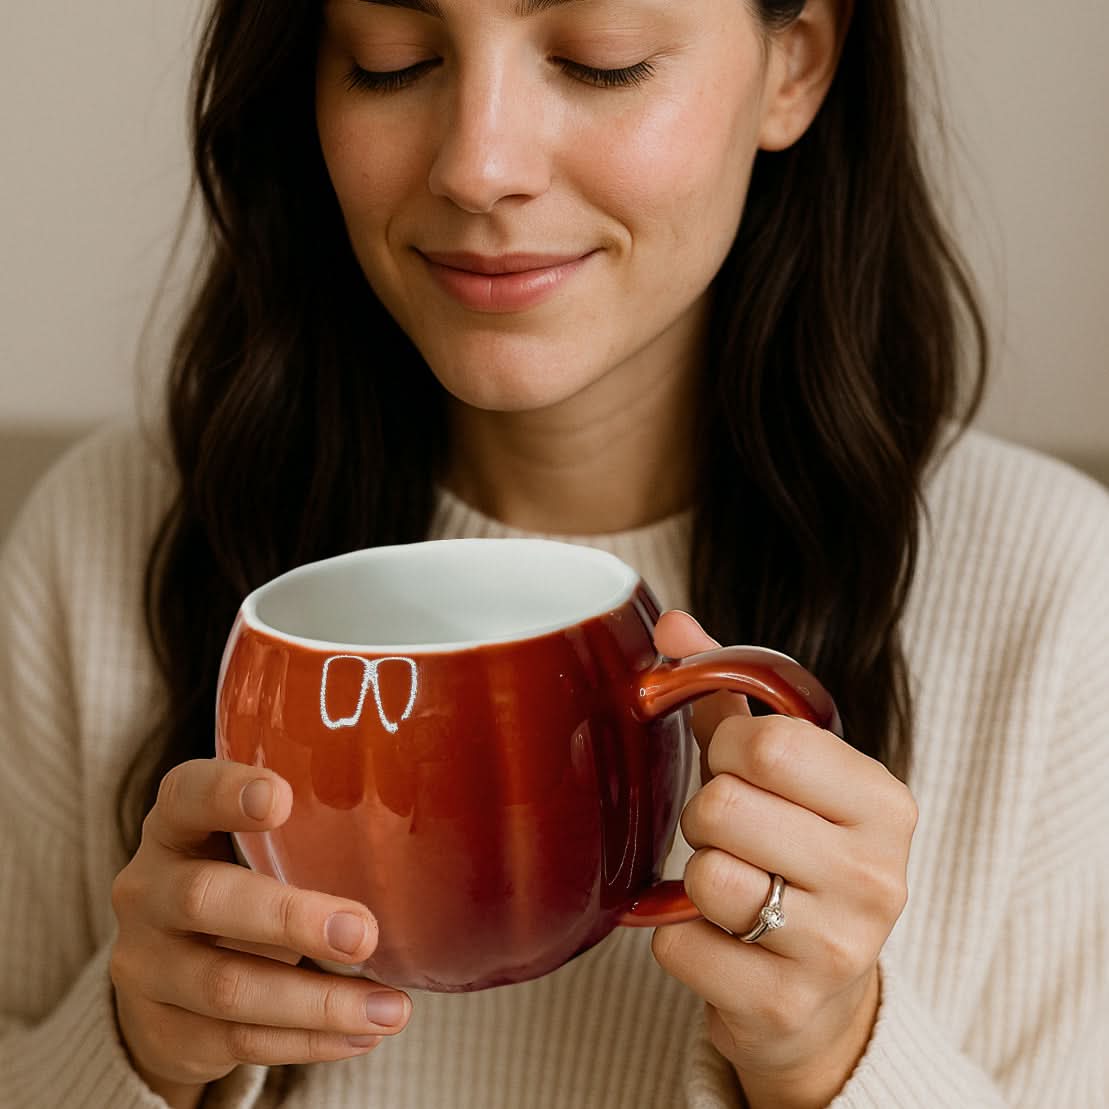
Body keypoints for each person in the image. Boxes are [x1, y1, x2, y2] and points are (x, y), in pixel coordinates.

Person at [2, 0, 1107, 1105]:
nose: (477, 167)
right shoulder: (104, 533)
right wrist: (136, 1050)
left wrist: (833, 1056)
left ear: (797, 61)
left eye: (599, 60)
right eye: (394, 60)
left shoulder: (1051, 597)